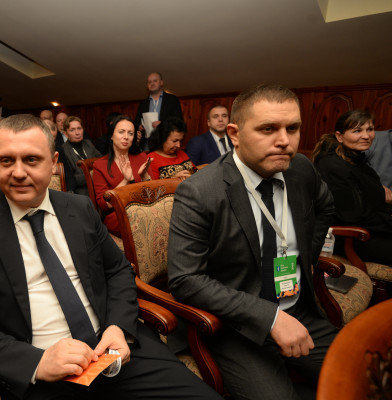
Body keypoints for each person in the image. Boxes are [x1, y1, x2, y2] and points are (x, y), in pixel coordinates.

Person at [0, 114, 221, 400]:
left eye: (32, 160)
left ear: (53, 162)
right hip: (42, 373)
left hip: (113, 350)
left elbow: (118, 271)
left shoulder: (80, 208)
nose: (18, 172)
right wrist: (36, 362)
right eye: (6, 161)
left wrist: (117, 328)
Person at [168, 84, 337, 400]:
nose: (284, 140)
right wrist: (269, 317)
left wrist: (309, 259)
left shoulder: (300, 168)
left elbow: (326, 205)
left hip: (298, 309)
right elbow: (185, 279)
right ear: (234, 133)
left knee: (364, 374)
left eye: (293, 128)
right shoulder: (200, 191)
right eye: (268, 129)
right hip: (238, 326)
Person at [312, 110, 392, 266]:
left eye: (370, 129)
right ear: (339, 136)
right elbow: (352, 215)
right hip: (350, 236)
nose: (366, 136)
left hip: (371, 229)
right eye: (357, 131)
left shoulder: (355, 159)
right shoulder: (333, 164)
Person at [93, 115, 151, 236]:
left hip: (145, 210)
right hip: (118, 216)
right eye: (121, 132)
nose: (126, 137)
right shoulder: (100, 165)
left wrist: (144, 175)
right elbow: (103, 205)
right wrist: (125, 180)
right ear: (111, 136)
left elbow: (153, 195)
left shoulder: (141, 157)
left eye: (130, 133)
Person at [134, 72, 184, 151]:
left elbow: (178, 120)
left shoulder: (172, 99)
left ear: (161, 82)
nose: (152, 83)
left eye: (155, 81)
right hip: (147, 143)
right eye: (149, 82)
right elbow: (136, 121)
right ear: (147, 85)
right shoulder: (143, 103)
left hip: (165, 141)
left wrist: (162, 123)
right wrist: (140, 126)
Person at [61, 116, 102, 196]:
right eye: (72, 130)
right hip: (81, 193)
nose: (77, 133)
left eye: (79, 128)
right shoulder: (63, 150)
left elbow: (102, 161)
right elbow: (71, 179)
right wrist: (91, 175)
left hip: (99, 186)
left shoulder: (88, 144)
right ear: (65, 133)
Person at [44, 119, 76, 192]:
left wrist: (70, 191)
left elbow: (69, 175)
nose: (52, 143)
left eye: (54, 139)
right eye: (49, 139)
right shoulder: (31, 151)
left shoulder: (59, 150)